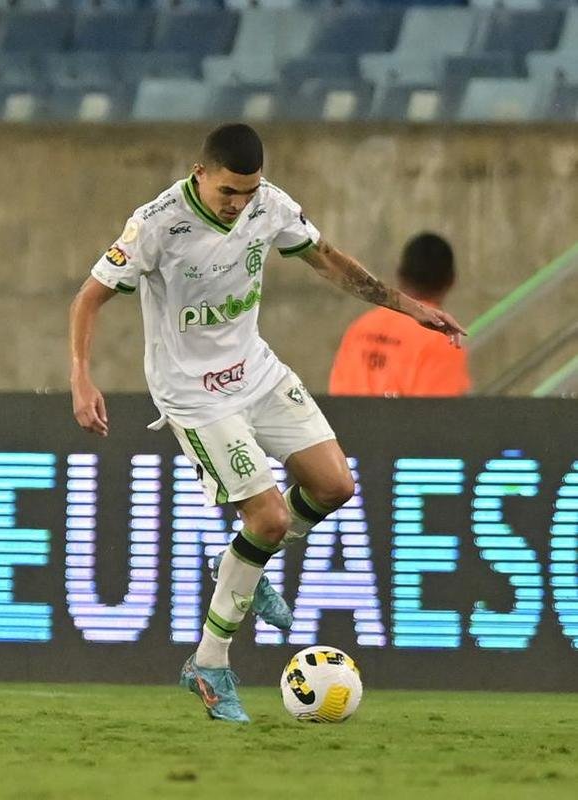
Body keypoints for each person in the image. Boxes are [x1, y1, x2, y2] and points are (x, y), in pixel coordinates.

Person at [68, 123, 463, 723]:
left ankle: (246, 568)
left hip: (256, 369)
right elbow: (88, 297)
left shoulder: (269, 205)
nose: (240, 202)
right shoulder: (156, 223)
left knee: (334, 486)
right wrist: (80, 376)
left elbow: (328, 262)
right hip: (194, 393)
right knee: (270, 516)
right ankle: (209, 662)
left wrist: (410, 310)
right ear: (201, 173)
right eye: (230, 190)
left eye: (248, 191)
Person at [329, 232, 470, 397]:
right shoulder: (443, 338)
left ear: (400, 274)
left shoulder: (360, 327)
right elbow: (438, 415)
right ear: (451, 281)